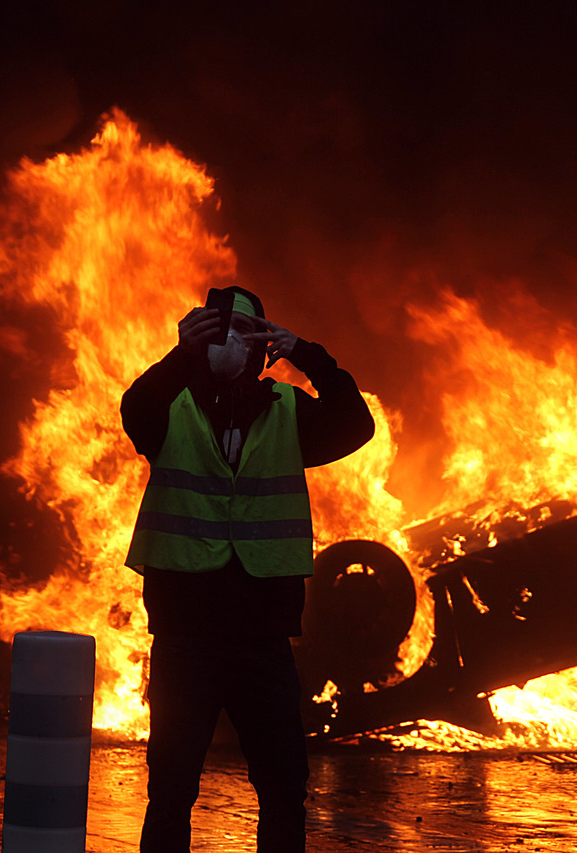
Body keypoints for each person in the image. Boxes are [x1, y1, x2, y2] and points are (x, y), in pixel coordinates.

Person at [121, 285, 374, 852]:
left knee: (285, 788)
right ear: (201, 341)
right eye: (219, 333)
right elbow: (133, 408)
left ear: (262, 350)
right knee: (171, 788)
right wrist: (181, 353)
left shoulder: (287, 411)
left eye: (245, 334)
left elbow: (356, 424)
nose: (231, 345)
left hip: (262, 639)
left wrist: (305, 354)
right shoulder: (170, 408)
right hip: (186, 636)